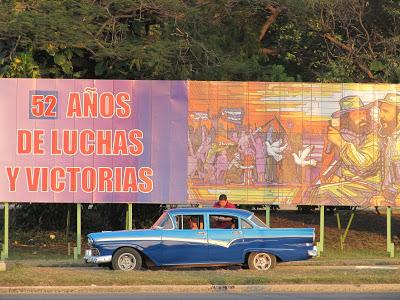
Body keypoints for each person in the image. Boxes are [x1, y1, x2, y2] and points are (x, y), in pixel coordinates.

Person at [306, 96, 381, 206]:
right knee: (312, 191)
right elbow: (339, 162)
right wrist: (333, 175)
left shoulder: (373, 136)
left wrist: (340, 142)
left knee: (321, 193)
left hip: (368, 185)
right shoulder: (350, 135)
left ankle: (320, 219)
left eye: (364, 113)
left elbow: (363, 164)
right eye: (358, 114)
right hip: (352, 184)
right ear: (346, 118)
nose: (363, 117)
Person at [378, 93, 400, 205]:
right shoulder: (390, 139)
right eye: (380, 111)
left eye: (385, 111)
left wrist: (387, 198)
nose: (381, 116)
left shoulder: (397, 143)